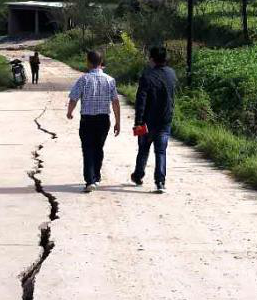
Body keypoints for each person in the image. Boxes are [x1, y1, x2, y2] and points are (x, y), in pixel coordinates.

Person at [66, 48, 120, 193]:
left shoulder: (83, 79)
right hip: (103, 120)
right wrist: (117, 122)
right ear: (101, 62)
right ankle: (95, 176)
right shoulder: (110, 80)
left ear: (88, 62)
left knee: (87, 149)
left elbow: (73, 98)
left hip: (87, 120)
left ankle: (90, 180)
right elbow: (115, 102)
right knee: (98, 148)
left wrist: (69, 112)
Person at [131, 46, 178, 194]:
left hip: (147, 121)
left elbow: (141, 100)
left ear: (152, 59)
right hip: (165, 119)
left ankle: (138, 176)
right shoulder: (172, 74)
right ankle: (160, 182)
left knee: (143, 150)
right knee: (161, 152)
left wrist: (138, 121)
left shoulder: (147, 76)